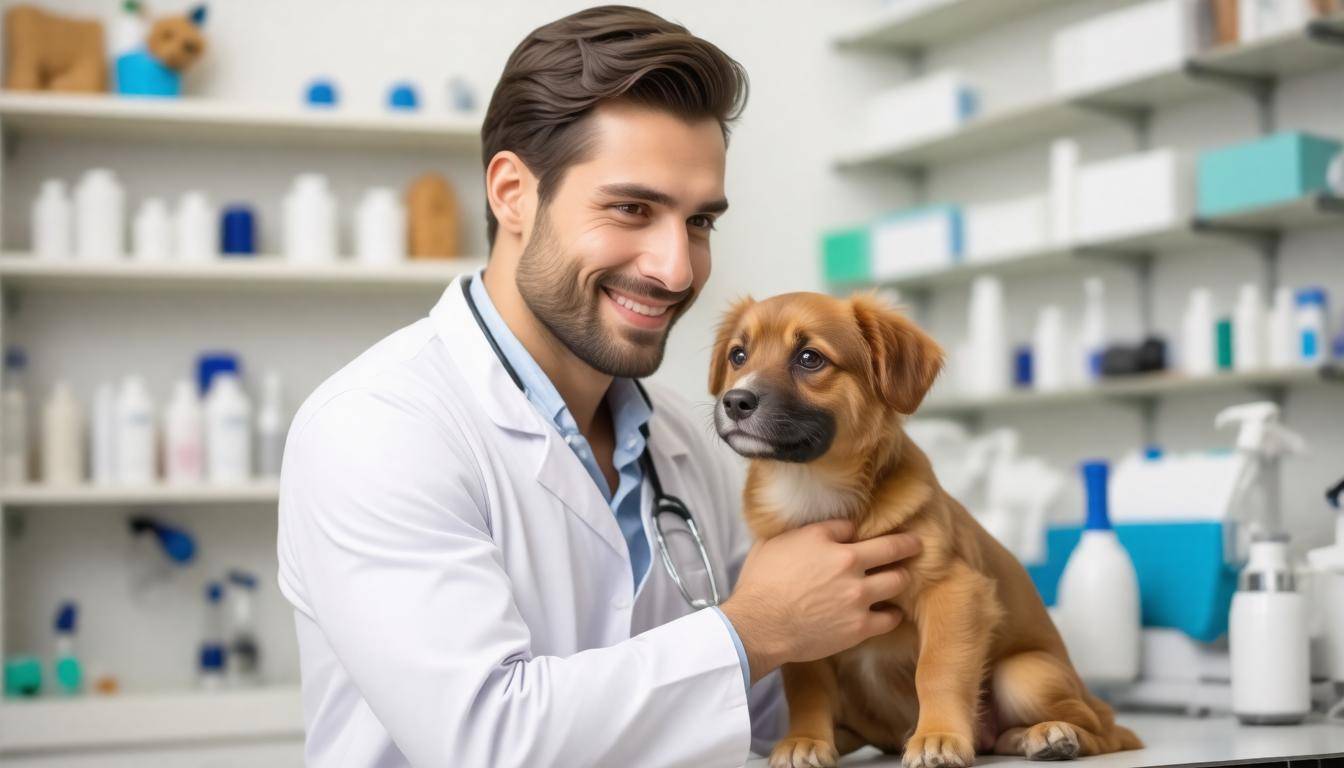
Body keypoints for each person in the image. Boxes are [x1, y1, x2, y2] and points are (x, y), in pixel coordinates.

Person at [277, 6, 921, 766]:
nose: (676, 269)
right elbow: (486, 742)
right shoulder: (377, 428)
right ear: (513, 194)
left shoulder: (686, 442)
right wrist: (757, 625)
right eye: (632, 209)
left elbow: (752, 721)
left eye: (700, 222)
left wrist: (958, 675)